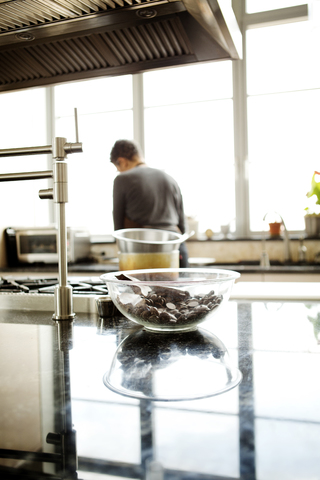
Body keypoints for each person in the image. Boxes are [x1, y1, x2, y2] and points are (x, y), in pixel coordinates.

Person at [110, 139, 189, 267]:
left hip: (144, 253)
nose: (119, 172)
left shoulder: (122, 179)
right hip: (176, 251)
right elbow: (183, 225)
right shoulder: (169, 178)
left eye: (117, 168)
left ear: (122, 161)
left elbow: (119, 228)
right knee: (181, 287)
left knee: (145, 288)